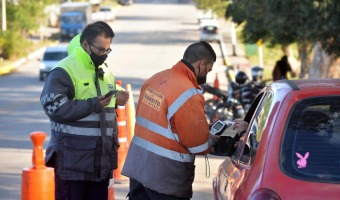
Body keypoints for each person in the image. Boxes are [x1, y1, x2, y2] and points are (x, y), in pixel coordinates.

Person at [40, 21, 129, 200]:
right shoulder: (64, 70)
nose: (104, 55)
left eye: (107, 50)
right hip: (73, 163)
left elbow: (107, 97)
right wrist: (94, 104)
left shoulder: (104, 69)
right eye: (100, 50)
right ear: (86, 44)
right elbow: (53, 107)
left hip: (100, 163)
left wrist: (118, 96)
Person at [122, 41, 219, 200]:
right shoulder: (189, 94)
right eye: (208, 70)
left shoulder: (156, 79)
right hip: (165, 178)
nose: (206, 75)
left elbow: (161, 122)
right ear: (202, 63)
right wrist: (211, 139)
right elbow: (198, 145)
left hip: (139, 170)